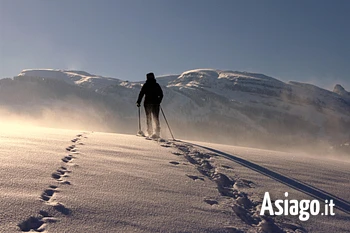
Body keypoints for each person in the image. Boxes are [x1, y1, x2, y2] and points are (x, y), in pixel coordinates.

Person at [137, 72, 163, 138]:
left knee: (148, 118)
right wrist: (159, 101)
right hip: (155, 104)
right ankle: (157, 132)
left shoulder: (146, 85)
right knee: (156, 117)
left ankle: (150, 132)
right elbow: (161, 94)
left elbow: (141, 94)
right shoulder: (156, 85)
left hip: (147, 103)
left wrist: (138, 102)